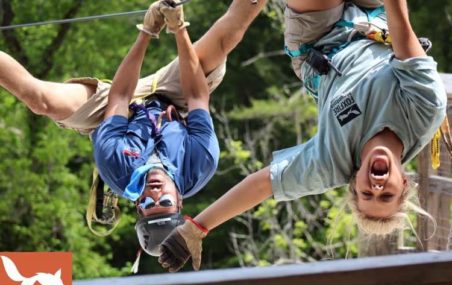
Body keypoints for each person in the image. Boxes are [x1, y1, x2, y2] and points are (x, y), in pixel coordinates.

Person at [158, 0, 447, 272]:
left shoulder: (328, 164)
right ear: (405, 181)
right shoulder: (425, 111)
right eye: (387, 194)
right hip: (379, 22)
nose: (376, 185)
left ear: (354, 182)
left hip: (319, 39)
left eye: (367, 193)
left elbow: (262, 185)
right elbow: (402, 30)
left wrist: (196, 228)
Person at [0, 0, 267, 256]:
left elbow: (118, 98)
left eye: (149, 204)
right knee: (227, 38)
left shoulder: (115, 167)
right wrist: (179, 28)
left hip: (117, 111)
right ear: (180, 201)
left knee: (40, 101)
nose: (154, 193)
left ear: (138, 205)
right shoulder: (201, 163)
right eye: (164, 202)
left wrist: (147, 31)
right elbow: (197, 97)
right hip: (177, 100)